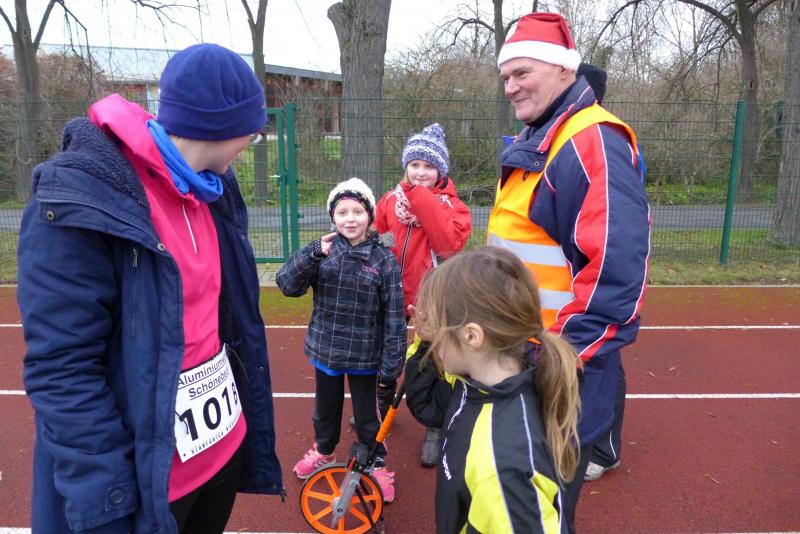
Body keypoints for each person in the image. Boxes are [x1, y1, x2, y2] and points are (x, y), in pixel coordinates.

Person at [17, 43, 283, 533]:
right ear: (222, 127)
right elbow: (63, 368)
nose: (252, 141)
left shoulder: (213, 189)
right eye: (251, 131)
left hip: (218, 453)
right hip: (149, 480)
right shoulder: (82, 200)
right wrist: (107, 495)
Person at [490, 12, 650, 532]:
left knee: (543, 512)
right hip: (525, 360)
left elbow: (613, 274)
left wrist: (556, 359)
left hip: (556, 372)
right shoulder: (543, 134)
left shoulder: (589, 141)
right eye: (506, 77)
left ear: (563, 70)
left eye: (522, 73)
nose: (510, 87)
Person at [404, 246, 581, 534]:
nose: (433, 337)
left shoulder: (503, 469)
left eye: (437, 327)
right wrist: (423, 342)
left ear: (471, 336)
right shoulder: (475, 381)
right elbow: (428, 405)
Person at [276, 177, 406, 502]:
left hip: (365, 356)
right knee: (325, 410)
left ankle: (375, 462)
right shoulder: (322, 252)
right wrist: (311, 253)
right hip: (326, 351)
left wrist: (391, 365)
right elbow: (287, 285)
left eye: (357, 212)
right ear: (333, 217)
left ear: (369, 216)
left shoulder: (384, 259)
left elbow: (394, 317)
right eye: (342, 212)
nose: (350, 219)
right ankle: (324, 449)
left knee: (367, 417)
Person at [373, 122, 472, 467]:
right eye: (414, 164)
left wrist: (419, 197)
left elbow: (447, 245)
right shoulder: (390, 200)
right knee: (386, 353)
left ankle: (434, 423)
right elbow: (379, 237)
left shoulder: (453, 207)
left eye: (429, 166)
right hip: (394, 294)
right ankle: (382, 408)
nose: (419, 172)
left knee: (433, 360)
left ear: (440, 170)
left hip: (433, 299)